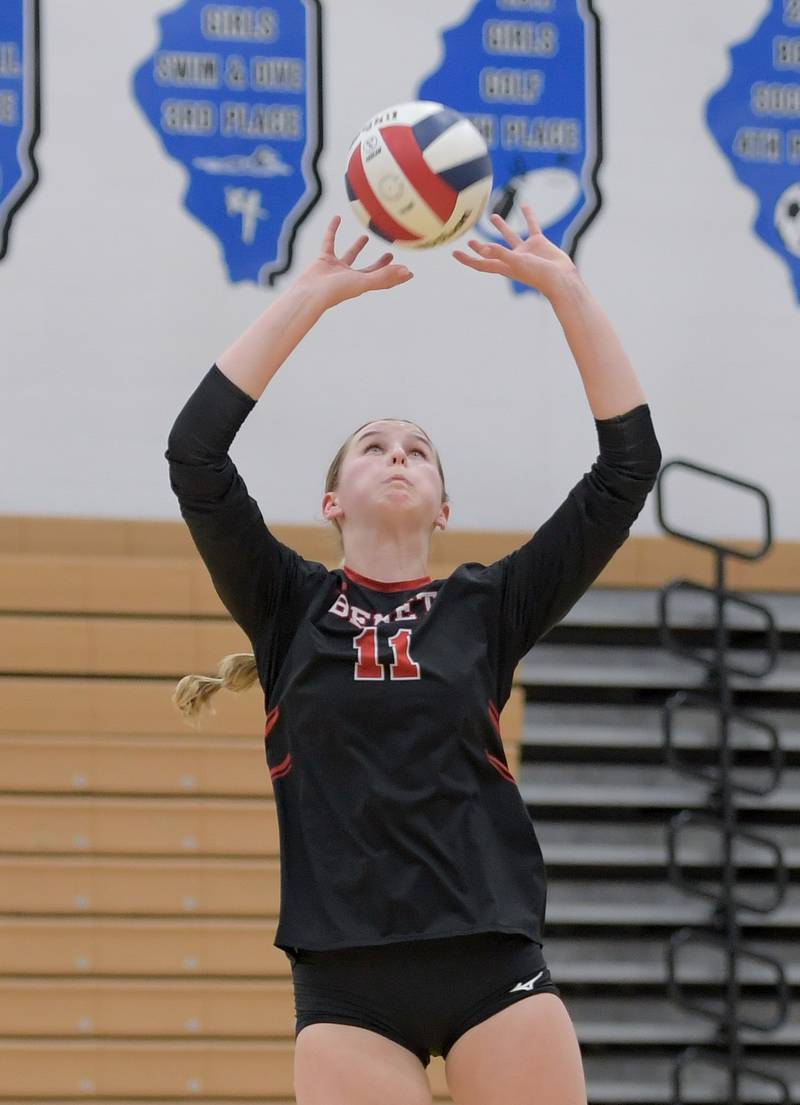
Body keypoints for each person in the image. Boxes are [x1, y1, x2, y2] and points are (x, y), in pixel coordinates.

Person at [165, 206, 661, 1105]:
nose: (398, 455)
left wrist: (568, 290)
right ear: (331, 500)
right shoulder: (287, 606)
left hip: (492, 964)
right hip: (349, 985)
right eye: (375, 446)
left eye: (418, 451)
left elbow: (628, 466)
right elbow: (195, 455)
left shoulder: (488, 606)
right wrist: (308, 298)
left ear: (441, 506)